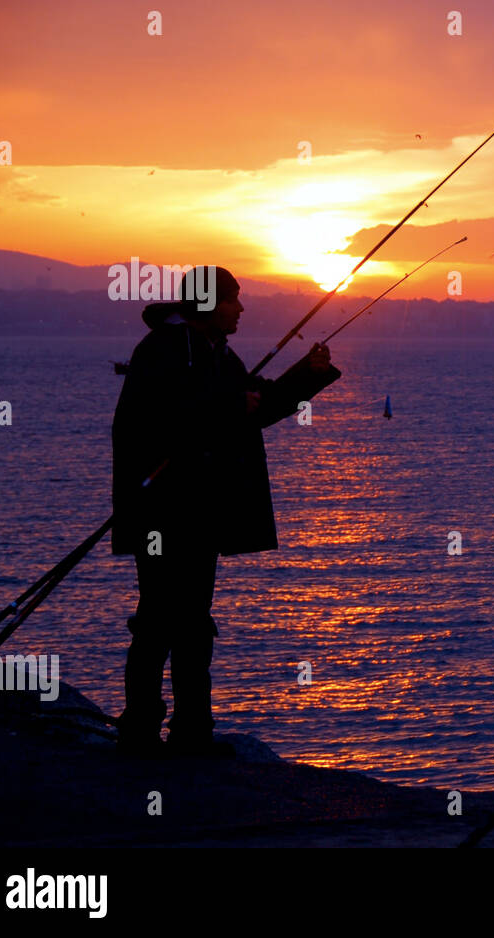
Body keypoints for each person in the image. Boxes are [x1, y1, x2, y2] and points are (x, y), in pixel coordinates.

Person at [111, 266, 340, 757]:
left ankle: (192, 732)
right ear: (209, 304)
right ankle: (142, 731)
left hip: (199, 512)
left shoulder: (218, 354)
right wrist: (231, 402)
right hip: (163, 510)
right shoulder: (163, 350)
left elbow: (257, 406)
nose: (240, 309)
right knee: (158, 619)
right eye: (234, 300)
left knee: (192, 620)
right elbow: (162, 415)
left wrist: (309, 374)